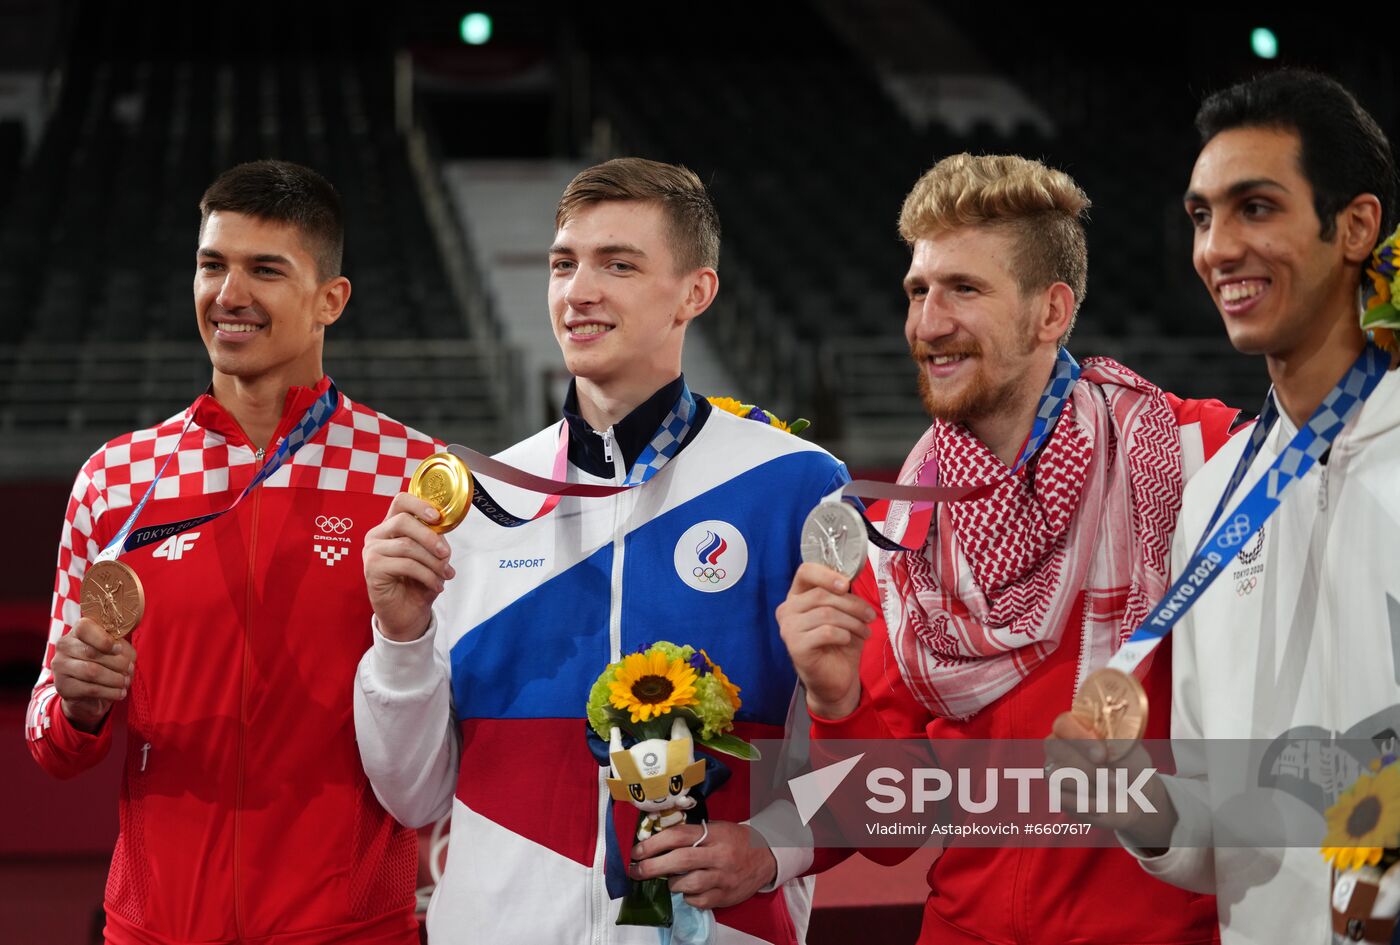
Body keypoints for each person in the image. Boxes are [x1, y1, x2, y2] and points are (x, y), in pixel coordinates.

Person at [353, 157, 849, 944]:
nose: (578, 290)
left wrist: (773, 850)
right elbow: (412, 794)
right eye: (564, 263)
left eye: (618, 264)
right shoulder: (484, 502)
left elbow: (889, 753)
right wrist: (400, 638)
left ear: (696, 292)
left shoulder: (793, 487)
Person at [777, 152, 1237, 944]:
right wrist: (835, 700)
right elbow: (884, 829)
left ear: (1051, 311)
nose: (928, 322)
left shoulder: (1197, 457)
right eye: (918, 291)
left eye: (964, 288)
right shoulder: (900, 532)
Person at [25, 160, 437, 945]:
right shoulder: (117, 479)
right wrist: (78, 703)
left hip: (351, 931)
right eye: (212, 264)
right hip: (155, 930)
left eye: (264, 269)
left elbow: (453, 716)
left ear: (330, 300)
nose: (228, 294)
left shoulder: (409, 475)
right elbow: (50, 735)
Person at [1048, 69, 1400, 944]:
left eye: (1256, 207)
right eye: (1203, 216)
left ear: (1356, 226)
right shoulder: (1211, 500)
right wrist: (1137, 799)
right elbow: (1219, 830)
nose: (1218, 248)